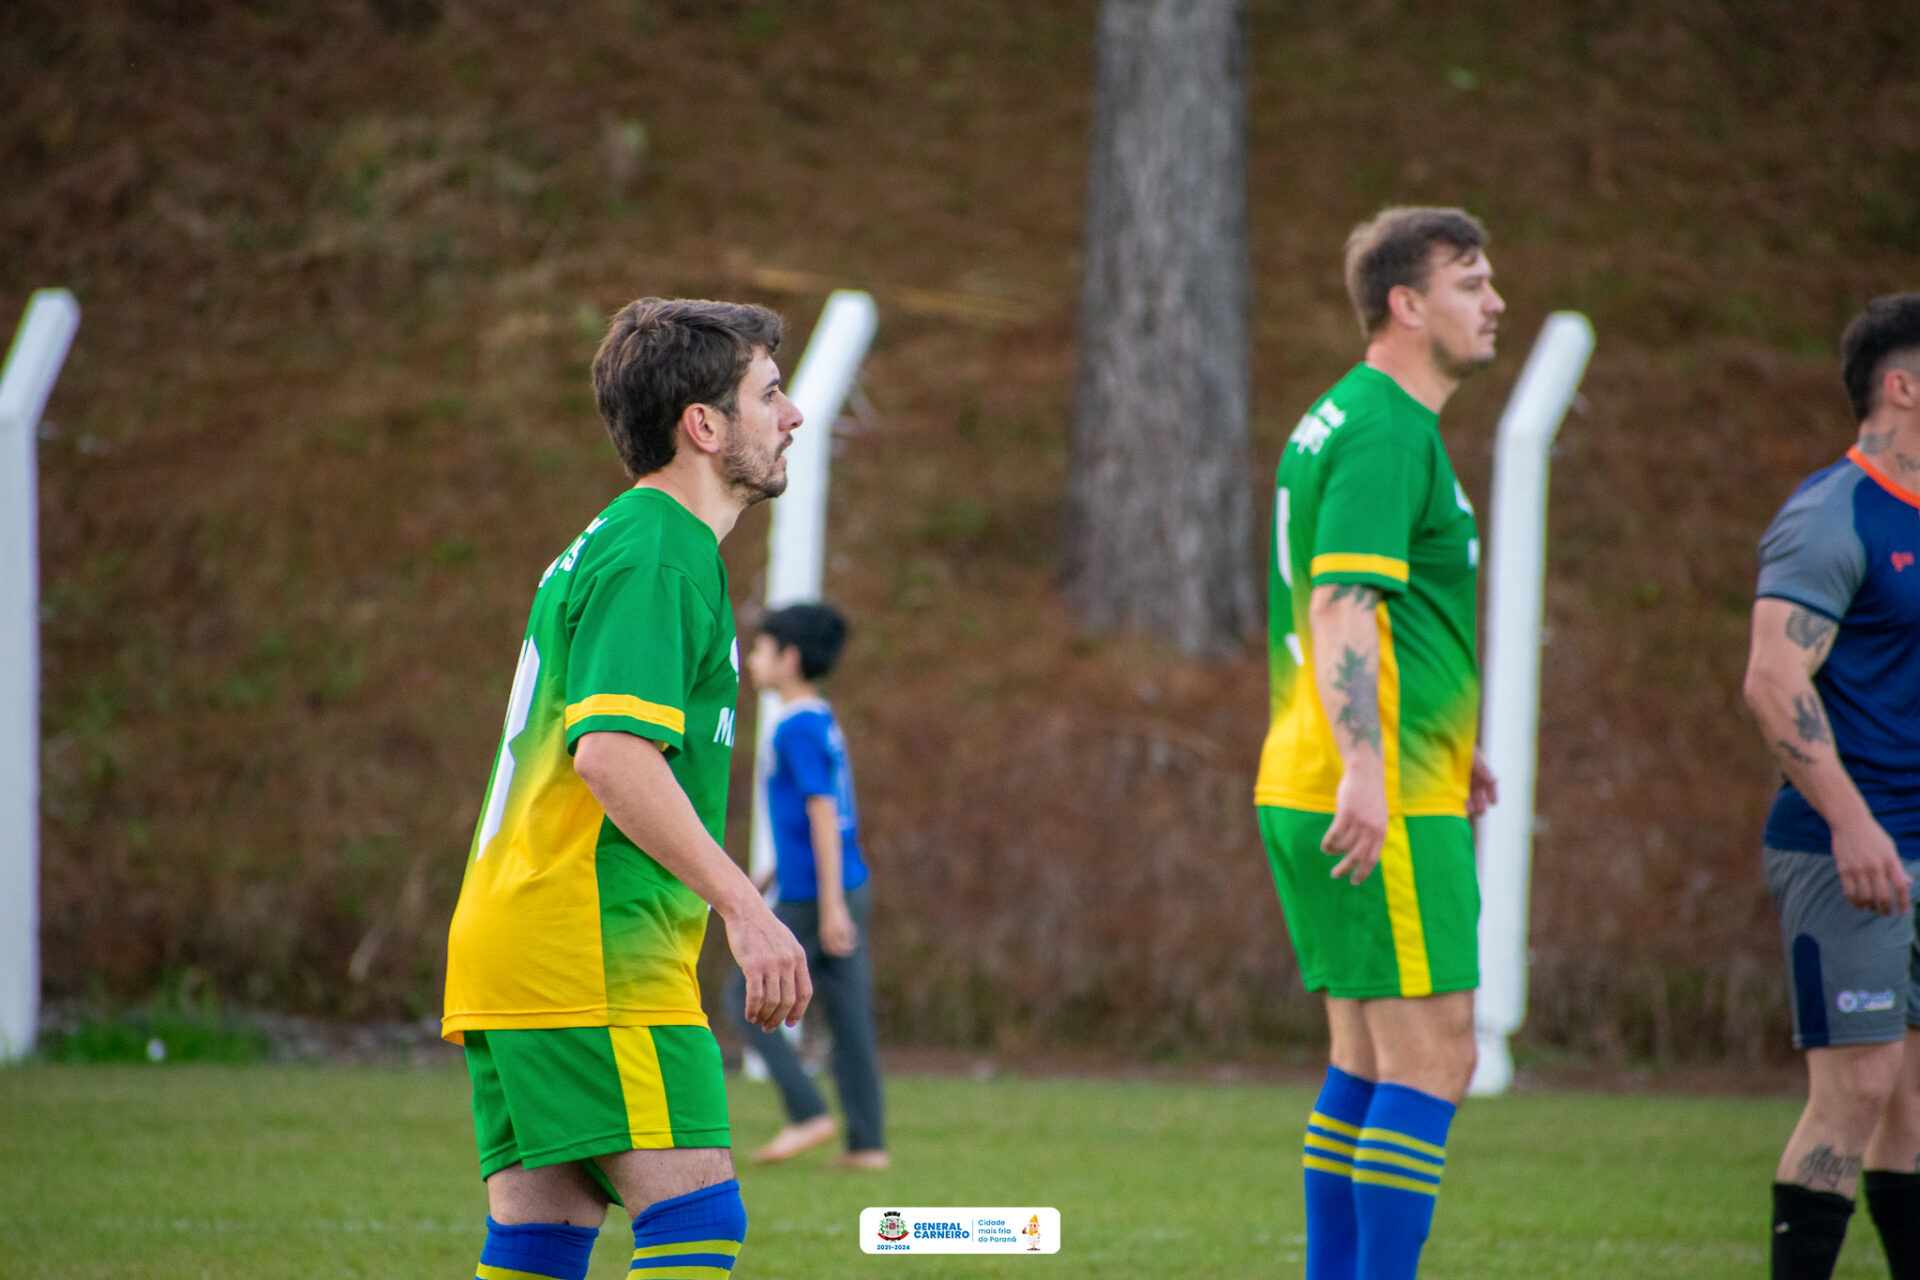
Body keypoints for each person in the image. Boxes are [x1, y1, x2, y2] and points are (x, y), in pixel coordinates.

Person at [440, 298, 813, 1280]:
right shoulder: (658, 549)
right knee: (695, 1214)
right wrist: (748, 905)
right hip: (588, 946)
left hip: (515, 940)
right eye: (770, 393)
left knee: (540, 1235)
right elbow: (611, 752)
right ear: (704, 423)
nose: (795, 415)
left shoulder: (622, 539)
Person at [1253, 206, 1503, 1280]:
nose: (1495, 303)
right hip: (1372, 788)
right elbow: (1345, 601)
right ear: (1407, 304)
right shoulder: (1389, 427)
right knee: (1437, 1053)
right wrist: (1372, 768)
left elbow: (1384, 617)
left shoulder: (1347, 416)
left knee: (1365, 1055)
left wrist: (1453, 741)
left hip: (1349, 770)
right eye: (1471, 283)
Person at [1745, 292, 1920, 1280]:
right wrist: (1856, 825)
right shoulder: (1831, 513)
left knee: (1917, 1106)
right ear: (1902, 385)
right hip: (1846, 847)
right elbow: (1773, 679)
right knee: (1856, 1084)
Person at [727, 601, 889, 1170]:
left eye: (763, 649)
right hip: (839, 883)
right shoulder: (820, 717)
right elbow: (807, 819)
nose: (753, 660)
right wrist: (764, 880)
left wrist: (828, 909)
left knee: (737, 996)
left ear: (790, 659)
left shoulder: (794, 726)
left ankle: (806, 1114)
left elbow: (822, 812)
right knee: (850, 1018)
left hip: (818, 893)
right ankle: (867, 1146)